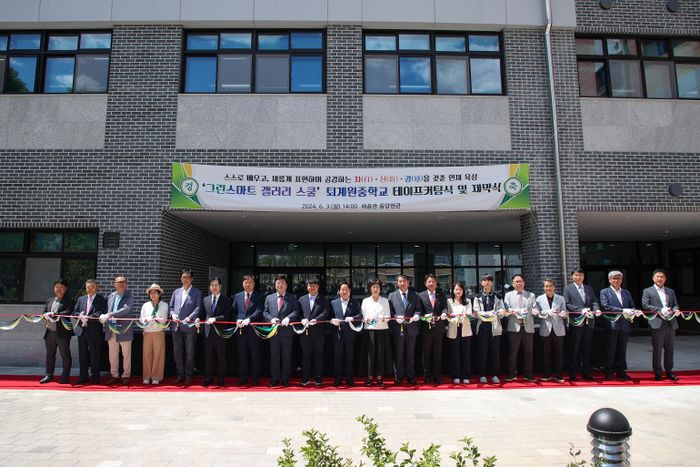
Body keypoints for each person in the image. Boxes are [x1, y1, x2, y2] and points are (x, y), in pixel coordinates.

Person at [642, 268, 680, 381]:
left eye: (662, 277)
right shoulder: (647, 291)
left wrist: (675, 310)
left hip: (670, 322)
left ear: (665, 279)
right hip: (657, 323)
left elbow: (675, 304)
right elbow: (645, 305)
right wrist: (660, 310)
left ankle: (669, 371)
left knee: (670, 349)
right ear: (653, 278)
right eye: (657, 276)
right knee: (657, 349)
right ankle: (658, 372)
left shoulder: (670, 291)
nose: (660, 278)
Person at [563, 268, 600, 381]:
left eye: (580, 275)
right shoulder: (568, 289)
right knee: (575, 348)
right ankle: (573, 372)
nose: (578, 277)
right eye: (576, 275)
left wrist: (596, 309)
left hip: (589, 322)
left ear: (584, 276)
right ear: (572, 276)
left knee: (587, 348)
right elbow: (567, 304)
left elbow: (594, 301)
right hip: (576, 322)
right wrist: (581, 310)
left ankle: (586, 372)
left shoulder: (589, 288)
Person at [263, 275, 299, 387]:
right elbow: (265, 312)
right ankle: (275, 378)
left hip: (287, 332)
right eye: (278, 283)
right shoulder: (269, 298)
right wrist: (270, 319)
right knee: (274, 356)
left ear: (286, 285)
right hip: (273, 332)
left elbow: (296, 311)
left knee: (286, 356)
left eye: (282, 283)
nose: (280, 285)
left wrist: (288, 318)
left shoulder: (292, 297)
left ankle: (285, 378)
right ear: (275, 285)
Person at [169, 269, 202, 388]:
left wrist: (190, 317)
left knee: (189, 352)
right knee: (177, 352)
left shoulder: (197, 292)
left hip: (189, 326)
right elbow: (171, 306)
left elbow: (198, 308)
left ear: (191, 279)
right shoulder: (176, 292)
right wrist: (172, 314)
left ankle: (188, 375)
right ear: (180, 279)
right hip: (177, 326)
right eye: (183, 277)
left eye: (187, 277)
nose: (185, 279)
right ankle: (180, 374)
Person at [599, 271, 635, 381]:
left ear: (622, 280)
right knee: (611, 348)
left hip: (625, 324)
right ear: (609, 280)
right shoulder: (605, 292)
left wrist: (634, 311)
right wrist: (623, 310)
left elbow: (632, 306)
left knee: (622, 348)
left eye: (619, 278)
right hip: (612, 324)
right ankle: (608, 370)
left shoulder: (626, 293)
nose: (616, 280)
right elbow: (606, 306)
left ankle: (621, 370)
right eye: (614, 278)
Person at [387, 274, 421, 385]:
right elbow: (389, 311)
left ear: (408, 283)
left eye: (405, 281)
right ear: (397, 283)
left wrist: (416, 315)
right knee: (398, 354)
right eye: (400, 281)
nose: (403, 283)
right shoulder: (392, 295)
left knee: (410, 354)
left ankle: (411, 376)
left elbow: (418, 310)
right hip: (398, 329)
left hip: (412, 329)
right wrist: (395, 317)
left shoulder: (415, 295)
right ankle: (399, 377)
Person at [39, 279, 74, 384]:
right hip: (50, 332)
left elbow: (68, 312)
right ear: (54, 288)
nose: (59, 289)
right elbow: (44, 312)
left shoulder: (70, 300)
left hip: (63, 332)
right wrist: (45, 315)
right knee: (50, 354)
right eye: (57, 287)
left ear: (66, 289)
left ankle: (65, 376)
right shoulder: (50, 300)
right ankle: (49, 375)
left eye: (61, 287)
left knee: (65, 355)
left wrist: (54, 314)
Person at [72, 279, 107, 385]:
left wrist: (88, 318)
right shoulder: (81, 299)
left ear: (96, 288)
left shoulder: (101, 299)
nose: (90, 289)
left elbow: (100, 312)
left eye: (92, 287)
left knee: (94, 354)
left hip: (94, 331)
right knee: (82, 355)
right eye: (88, 287)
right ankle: (83, 377)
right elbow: (74, 312)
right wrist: (80, 316)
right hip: (81, 330)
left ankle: (95, 377)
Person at [231, 274, 264, 386]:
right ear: (242, 284)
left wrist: (249, 319)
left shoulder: (259, 296)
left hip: (253, 330)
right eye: (246, 282)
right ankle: (243, 377)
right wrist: (237, 320)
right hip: (241, 330)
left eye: (250, 282)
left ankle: (255, 378)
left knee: (255, 354)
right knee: (242, 355)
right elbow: (233, 311)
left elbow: (259, 310)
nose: (248, 284)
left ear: (254, 284)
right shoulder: (237, 296)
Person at [503, 274, 537, 382]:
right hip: (514, 327)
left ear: (524, 283)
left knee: (528, 352)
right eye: (516, 281)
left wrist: (533, 311)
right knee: (513, 352)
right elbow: (507, 309)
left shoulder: (531, 295)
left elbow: (535, 308)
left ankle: (528, 374)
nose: (519, 283)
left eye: (520, 281)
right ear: (512, 284)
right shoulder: (508, 295)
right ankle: (511, 374)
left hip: (528, 327)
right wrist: (516, 311)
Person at [102, 275, 135, 385]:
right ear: (114, 284)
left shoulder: (129, 296)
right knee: (113, 354)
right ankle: (114, 375)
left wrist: (111, 314)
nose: (121, 284)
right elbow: (107, 310)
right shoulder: (111, 296)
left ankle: (126, 375)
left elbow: (126, 309)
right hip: (111, 329)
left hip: (124, 329)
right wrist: (104, 316)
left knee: (126, 354)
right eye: (119, 282)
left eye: (123, 282)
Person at [473, 274, 506, 384]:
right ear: (481, 283)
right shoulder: (477, 297)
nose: (486, 283)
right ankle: (482, 375)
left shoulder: (498, 297)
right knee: (482, 352)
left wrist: (499, 313)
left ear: (492, 283)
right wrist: (487, 314)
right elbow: (475, 312)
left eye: (489, 281)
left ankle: (495, 375)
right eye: (484, 280)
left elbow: (502, 312)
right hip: (482, 327)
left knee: (495, 352)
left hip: (495, 327)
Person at [297, 278, 329, 386]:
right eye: (310, 285)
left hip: (318, 332)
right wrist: (302, 319)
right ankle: (305, 378)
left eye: (314, 285)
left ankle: (318, 378)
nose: (312, 287)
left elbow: (325, 312)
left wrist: (317, 320)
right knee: (305, 356)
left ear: (318, 287)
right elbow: (298, 313)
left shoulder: (324, 299)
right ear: (307, 287)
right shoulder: (301, 299)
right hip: (305, 332)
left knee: (318, 356)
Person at [329, 281, 362, 386]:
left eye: (346, 289)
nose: (344, 291)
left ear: (350, 291)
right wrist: (332, 320)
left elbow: (360, 315)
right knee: (337, 357)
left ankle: (349, 377)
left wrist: (353, 318)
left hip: (350, 334)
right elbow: (329, 315)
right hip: (337, 334)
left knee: (349, 357)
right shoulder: (333, 303)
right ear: (339, 291)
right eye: (342, 290)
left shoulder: (355, 303)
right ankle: (338, 377)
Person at [418, 274, 448, 385]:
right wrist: (424, 317)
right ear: (425, 283)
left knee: (437, 353)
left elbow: (444, 307)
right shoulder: (420, 295)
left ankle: (437, 375)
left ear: (436, 283)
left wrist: (444, 313)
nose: (431, 283)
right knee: (426, 353)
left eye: (433, 281)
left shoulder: (441, 294)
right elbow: (419, 310)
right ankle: (427, 375)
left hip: (439, 328)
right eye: (429, 282)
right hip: (426, 328)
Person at [536, 278, 567, 383]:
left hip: (558, 329)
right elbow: (537, 313)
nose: (548, 288)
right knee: (546, 354)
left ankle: (559, 375)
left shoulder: (560, 298)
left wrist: (562, 314)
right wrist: (547, 312)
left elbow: (564, 312)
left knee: (559, 354)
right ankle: (547, 374)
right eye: (546, 286)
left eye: (550, 286)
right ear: (544, 287)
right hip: (546, 328)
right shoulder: (539, 299)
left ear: (554, 287)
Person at [201, 276, 230, 387]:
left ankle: (221, 378)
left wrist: (215, 319)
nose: (214, 287)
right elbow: (203, 314)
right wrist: (199, 320)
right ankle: (208, 378)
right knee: (208, 357)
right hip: (208, 332)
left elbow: (227, 315)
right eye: (212, 285)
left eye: (216, 285)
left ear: (220, 286)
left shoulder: (226, 300)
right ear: (210, 287)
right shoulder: (205, 299)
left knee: (221, 356)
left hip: (220, 332)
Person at [361, 278, 390, 386]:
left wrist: (383, 318)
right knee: (370, 354)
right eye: (373, 287)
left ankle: (379, 377)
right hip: (369, 330)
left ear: (380, 289)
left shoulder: (385, 301)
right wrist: (368, 319)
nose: (375, 289)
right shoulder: (365, 301)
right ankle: (369, 377)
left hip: (382, 329)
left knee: (380, 353)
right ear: (370, 288)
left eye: (377, 287)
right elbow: (363, 316)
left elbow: (388, 316)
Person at [139, 283, 169, 385]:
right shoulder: (145, 305)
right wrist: (146, 320)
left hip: (158, 332)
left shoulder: (164, 305)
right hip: (147, 332)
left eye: (155, 292)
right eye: (151, 293)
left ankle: (156, 377)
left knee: (158, 355)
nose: (153, 294)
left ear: (159, 294)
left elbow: (164, 319)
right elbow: (141, 318)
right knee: (147, 354)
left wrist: (155, 319)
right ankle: (147, 376)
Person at [446, 281, 473, 385]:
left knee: (466, 354)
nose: (458, 291)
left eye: (460, 289)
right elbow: (448, 315)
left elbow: (470, 314)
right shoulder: (449, 301)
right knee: (455, 354)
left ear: (463, 291)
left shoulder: (468, 301)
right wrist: (454, 318)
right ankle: (456, 375)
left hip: (465, 329)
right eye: (456, 289)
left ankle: (466, 375)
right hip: (454, 328)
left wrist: (464, 316)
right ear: (453, 290)